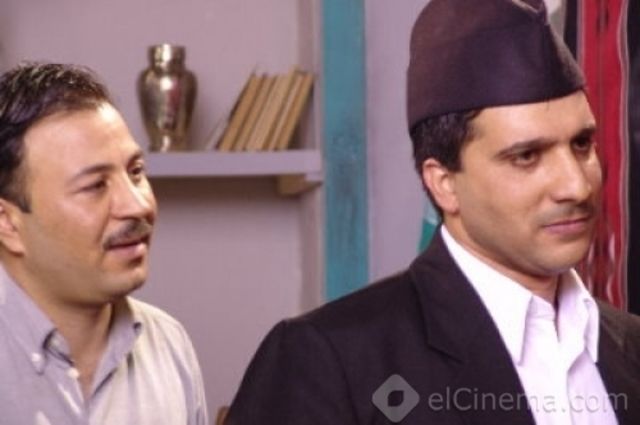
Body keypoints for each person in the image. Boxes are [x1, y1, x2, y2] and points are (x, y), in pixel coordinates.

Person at [226, 0, 640, 424]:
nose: (575, 186)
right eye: (526, 156)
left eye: (582, 144)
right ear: (443, 183)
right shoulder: (329, 360)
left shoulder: (632, 349)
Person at [0, 63, 208, 424]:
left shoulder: (169, 344)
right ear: (8, 223)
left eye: (136, 172)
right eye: (95, 186)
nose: (138, 206)